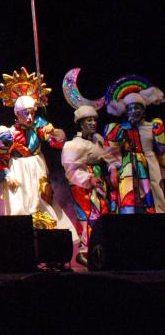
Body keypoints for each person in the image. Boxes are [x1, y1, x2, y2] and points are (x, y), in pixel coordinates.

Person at [0, 67, 77, 243]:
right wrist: (6, 175)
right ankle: (18, 242)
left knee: (43, 200)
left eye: (32, 113)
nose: (30, 117)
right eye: (25, 113)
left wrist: (55, 133)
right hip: (17, 169)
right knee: (19, 205)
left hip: (37, 167)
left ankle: (50, 241)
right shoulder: (7, 133)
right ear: (17, 114)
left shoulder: (37, 126)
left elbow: (53, 138)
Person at [103, 76, 165, 213]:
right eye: (130, 109)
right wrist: (113, 169)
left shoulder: (153, 126)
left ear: (143, 110)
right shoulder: (119, 129)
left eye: (137, 108)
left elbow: (162, 153)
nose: (133, 112)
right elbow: (112, 153)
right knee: (130, 199)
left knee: (154, 198)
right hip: (128, 166)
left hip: (150, 165)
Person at [61, 105, 113, 265]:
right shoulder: (74, 145)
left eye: (95, 120)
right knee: (88, 216)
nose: (93, 123)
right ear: (80, 123)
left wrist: (112, 170)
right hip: (83, 186)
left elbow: (109, 156)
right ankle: (85, 250)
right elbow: (70, 170)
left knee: (102, 214)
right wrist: (88, 179)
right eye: (88, 120)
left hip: (99, 182)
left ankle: (100, 248)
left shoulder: (98, 140)